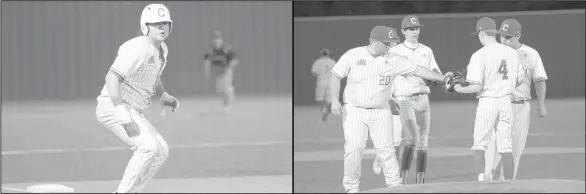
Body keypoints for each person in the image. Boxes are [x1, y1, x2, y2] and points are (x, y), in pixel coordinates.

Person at [329, 25, 452, 193]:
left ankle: (395, 187)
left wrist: (443, 78)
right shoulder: (353, 55)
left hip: (381, 110)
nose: (390, 46)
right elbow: (335, 75)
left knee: (387, 149)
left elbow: (418, 70)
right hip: (355, 110)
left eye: (392, 43)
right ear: (374, 42)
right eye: (387, 43)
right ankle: (351, 188)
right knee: (354, 149)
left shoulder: (394, 59)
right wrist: (334, 100)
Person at [95, 4, 179, 193]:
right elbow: (112, 77)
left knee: (161, 151)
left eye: (166, 23)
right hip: (113, 106)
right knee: (148, 147)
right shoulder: (137, 47)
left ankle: (132, 191)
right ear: (145, 26)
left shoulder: (162, 50)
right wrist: (119, 109)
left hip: (133, 110)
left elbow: (153, 76)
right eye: (157, 24)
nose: (162, 27)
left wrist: (163, 94)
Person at [449, 17, 526, 182]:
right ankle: (510, 183)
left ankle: (481, 180)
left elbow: (476, 87)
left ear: (482, 33)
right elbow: (520, 79)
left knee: (480, 144)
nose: (479, 37)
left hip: (488, 101)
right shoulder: (511, 52)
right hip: (506, 101)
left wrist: (458, 88)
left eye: (479, 34)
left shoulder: (479, 55)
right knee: (505, 145)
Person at [485, 18, 549, 181]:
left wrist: (541, 104)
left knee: (514, 152)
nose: (504, 40)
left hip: (521, 107)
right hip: (499, 106)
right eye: (502, 37)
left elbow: (539, 80)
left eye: (508, 37)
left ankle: (506, 186)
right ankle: (486, 183)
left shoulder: (530, 54)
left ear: (518, 35)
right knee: (492, 151)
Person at [387, 15, 443, 184]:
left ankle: (420, 183)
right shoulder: (395, 51)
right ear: (403, 31)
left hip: (423, 98)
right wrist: (390, 98)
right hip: (404, 99)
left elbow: (435, 72)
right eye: (411, 29)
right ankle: (401, 181)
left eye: (417, 28)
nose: (414, 31)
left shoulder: (427, 50)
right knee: (412, 139)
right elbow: (387, 76)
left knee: (423, 143)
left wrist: (438, 78)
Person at [203, 30, 239, 114]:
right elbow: (206, 62)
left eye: (218, 38)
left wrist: (228, 66)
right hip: (217, 71)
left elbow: (235, 60)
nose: (216, 41)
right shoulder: (211, 51)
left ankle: (228, 103)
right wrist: (207, 72)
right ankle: (228, 98)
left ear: (221, 40)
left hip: (226, 71)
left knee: (226, 88)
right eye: (215, 39)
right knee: (219, 89)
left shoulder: (226, 49)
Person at [311, 48, 337, 121]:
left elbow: (314, 72)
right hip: (330, 82)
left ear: (322, 54)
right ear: (328, 54)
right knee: (329, 99)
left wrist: (320, 74)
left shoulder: (318, 62)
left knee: (319, 98)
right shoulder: (332, 62)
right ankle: (327, 111)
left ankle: (324, 110)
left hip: (321, 81)